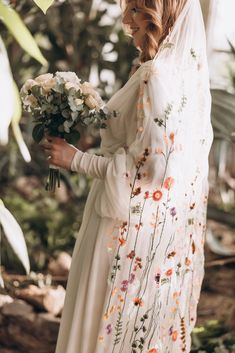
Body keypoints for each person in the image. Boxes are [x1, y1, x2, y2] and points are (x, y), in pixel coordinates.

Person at [43, 0, 213, 352]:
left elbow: (151, 169)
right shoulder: (171, 72)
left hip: (118, 231)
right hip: (140, 230)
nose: (126, 20)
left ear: (162, 14)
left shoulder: (157, 76)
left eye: (137, 9)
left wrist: (77, 160)